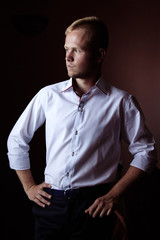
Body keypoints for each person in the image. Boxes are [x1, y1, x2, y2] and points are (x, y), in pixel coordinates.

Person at [7, 16, 157, 240]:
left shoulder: (121, 102)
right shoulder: (48, 95)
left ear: (99, 55)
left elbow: (146, 152)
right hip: (51, 205)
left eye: (77, 50)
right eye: (66, 49)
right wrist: (29, 187)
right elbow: (17, 140)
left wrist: (114, 195)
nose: (68, 57)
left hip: (94, 207)